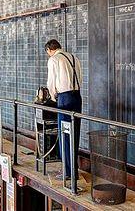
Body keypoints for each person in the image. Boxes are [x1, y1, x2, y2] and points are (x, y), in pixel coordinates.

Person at [45, 39, 82, 181]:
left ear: (49, 50)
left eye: (48, 53)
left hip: (64, 99)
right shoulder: (74, 57)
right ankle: (74, 171)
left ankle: (67, 172)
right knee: (75, 133)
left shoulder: (54, 59)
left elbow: (51, 82)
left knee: (65, 134)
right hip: (77, 97)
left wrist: (54, 97)